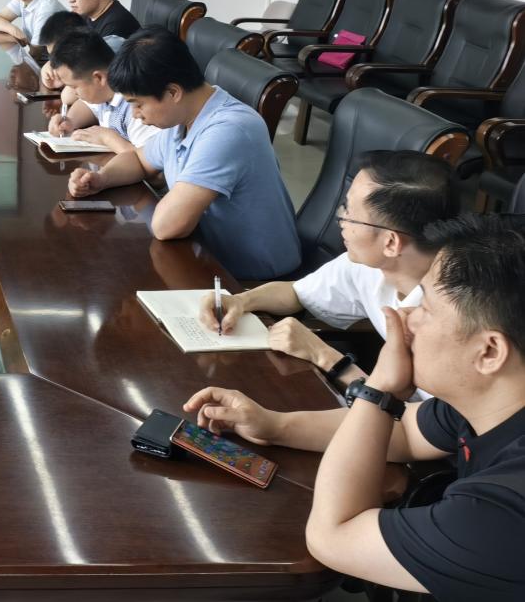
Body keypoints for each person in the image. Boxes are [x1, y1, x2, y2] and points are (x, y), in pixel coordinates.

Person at [184, 214, 525, 600]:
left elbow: (333, 537)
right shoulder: (486, 402)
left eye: (425, 308)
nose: (404, 317)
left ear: (490, 352)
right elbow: (405, 431)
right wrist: (273, 425)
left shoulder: (504, 513)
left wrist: (380, 387)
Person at [200, 151, 458, 391]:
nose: (341, 221)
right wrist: (241, 300)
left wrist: (324, 356)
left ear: (391, 242)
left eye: (350, 215)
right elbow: (298, 293)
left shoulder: (453, 319)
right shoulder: (373, 265)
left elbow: (412, 419)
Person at [68, 29, 300, 282]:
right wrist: (101, 179)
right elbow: (138, 160)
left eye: (138, 104)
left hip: (252, 279)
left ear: (173, 93)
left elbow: (167, 225)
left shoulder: (228, 130)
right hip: (206, 256)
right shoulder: (184, 118)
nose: (135, 114)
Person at [46, 31, 159, 153]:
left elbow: (150, 158)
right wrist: (70, 121)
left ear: (99, 78)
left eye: (74, 87)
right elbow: (86, 106)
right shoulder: (101, 92)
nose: (74, 93)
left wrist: (108, 138)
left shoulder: (135, 106)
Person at [35, 10, 91, 106]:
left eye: (57, 57)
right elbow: (48, 71)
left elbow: (67, 97)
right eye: (51, 56)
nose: (55, 61)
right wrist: (47, 72)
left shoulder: (92, 61)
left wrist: (65, 80)